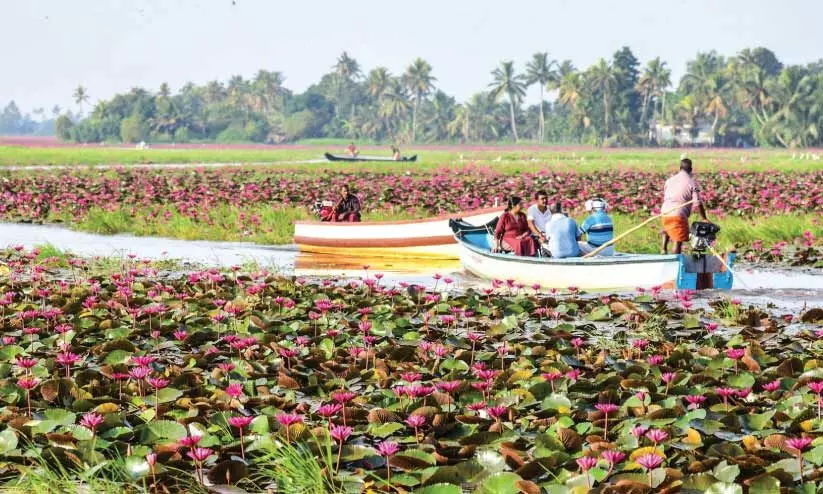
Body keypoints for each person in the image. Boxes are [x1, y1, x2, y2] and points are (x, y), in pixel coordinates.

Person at [661, 158, 708, 254]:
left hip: (664, 212)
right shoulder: (692, 183)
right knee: (677, 241)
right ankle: (676, 262)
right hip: (678, 214)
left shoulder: (669, 180)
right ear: (691, 169)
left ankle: (663, 250)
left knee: (668, 229)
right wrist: (704, 218)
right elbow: (698, 202)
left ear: (680, 168)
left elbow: (666, 196)